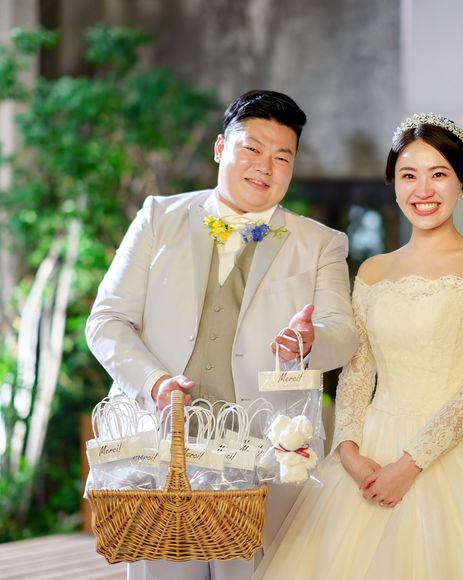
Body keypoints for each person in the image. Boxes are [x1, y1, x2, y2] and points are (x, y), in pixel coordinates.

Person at [253, 113, 463, 579]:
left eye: (438, 174)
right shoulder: (372, 271)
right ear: (394, 185)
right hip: (368, 452)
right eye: (409, 175)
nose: (422, 189)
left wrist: (408, 466)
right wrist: (349, 451)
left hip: (456, 452)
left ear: (462, 183)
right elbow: (357, 373)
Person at [85, 89, 358, 580]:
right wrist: (153, 383)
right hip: (161, 448)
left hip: (267, 454)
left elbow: (344, 334)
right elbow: (106, 321)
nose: (265, 167)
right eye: (252, 148)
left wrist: (310, 339)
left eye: (282, 157)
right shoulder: (158, 218)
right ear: (219, 148)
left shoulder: (321, 243)